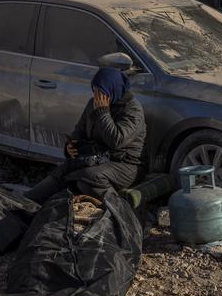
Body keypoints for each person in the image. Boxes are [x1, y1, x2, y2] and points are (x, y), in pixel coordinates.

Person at [25, 67, 147, 203]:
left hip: (126, 165)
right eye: (94, 91)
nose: (97, 96)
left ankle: (118, 209)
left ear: (113, 89)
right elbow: (79, 131)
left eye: (101, 92)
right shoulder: (92, 103)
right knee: (65, 169)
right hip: (98, 158)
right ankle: (27, 202)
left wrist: (103, 113)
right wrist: (71, 147)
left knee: (89, 178)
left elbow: (116, 140)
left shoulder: (132, 109)